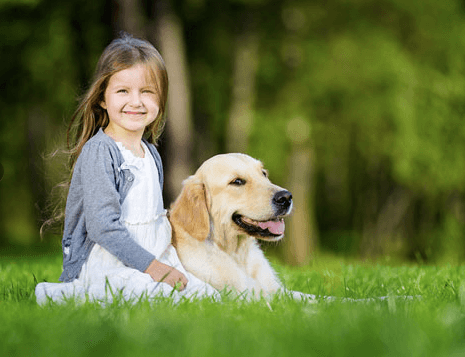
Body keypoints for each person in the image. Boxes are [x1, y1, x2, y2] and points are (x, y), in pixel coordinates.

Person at [35, 33, 219, 304]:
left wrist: (168, 259)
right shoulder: (100, 152)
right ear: (102, 98)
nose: (136, 101)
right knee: (157, 297)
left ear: (160, 99)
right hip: (109, 262)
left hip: (153, 257)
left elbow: (153, 217)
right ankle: (63, 294)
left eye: (147, 91)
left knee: (207, 296)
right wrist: (154, 268)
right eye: (123, 91)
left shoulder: (151, 153)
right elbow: (102, 228)